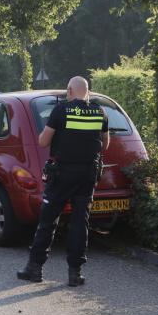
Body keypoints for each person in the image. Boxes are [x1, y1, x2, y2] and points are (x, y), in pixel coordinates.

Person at [17, 76, 109, 286]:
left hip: (62, 174)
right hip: (87, 175)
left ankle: (35, 269)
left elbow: (43, 141)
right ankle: (75, 274)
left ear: (69, 90)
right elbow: (105, 143)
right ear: (88, 92)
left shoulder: (61, 111)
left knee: (48, 221)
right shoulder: (99, 112)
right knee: (80, 222)